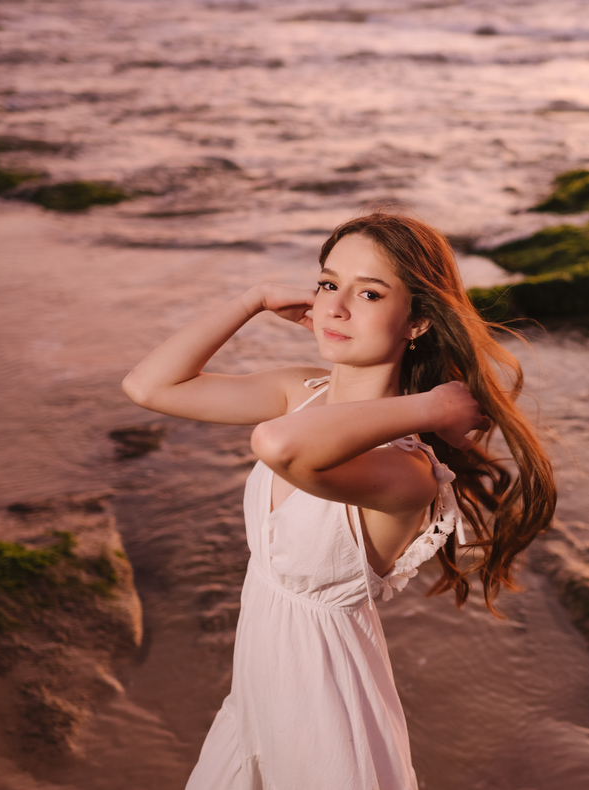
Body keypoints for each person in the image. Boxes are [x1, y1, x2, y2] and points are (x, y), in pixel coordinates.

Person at [121, 212, 556, 789]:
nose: (336, 307)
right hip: (257, 705)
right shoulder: (304, 391)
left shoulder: (407, 471)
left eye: (369, 293)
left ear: (418, 321)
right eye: (328, 284)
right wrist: (253, 299)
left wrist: (428, 409)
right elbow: (149, 387)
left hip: (324, 725)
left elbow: (279, 445)